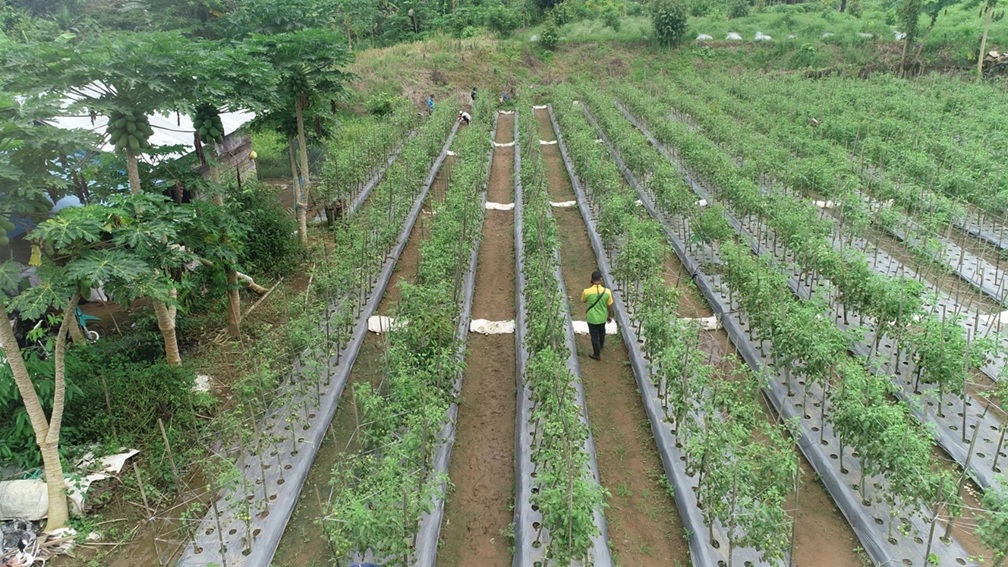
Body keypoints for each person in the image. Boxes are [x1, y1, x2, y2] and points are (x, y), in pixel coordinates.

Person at [581, 270, 614, 361]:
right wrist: (610, 315)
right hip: (602, 317)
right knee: (602, 331)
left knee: (594, 336)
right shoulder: (607, 292)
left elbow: (583, 300)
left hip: (592, 318)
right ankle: (601, 345)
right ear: (601, 279)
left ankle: (596, 354)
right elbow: (610, 305)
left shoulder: (586, 291)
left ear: (591, 280)